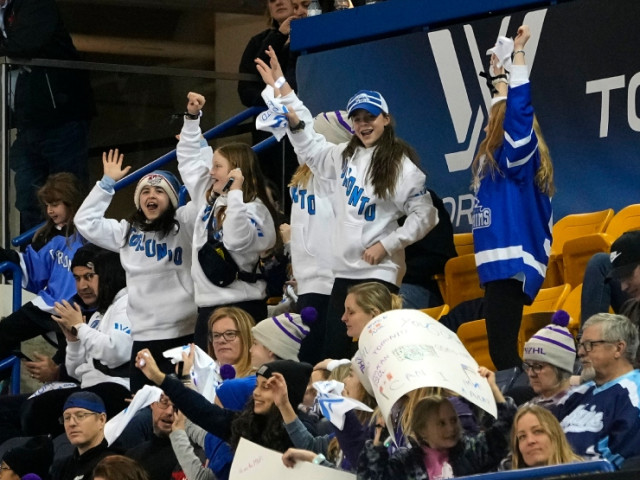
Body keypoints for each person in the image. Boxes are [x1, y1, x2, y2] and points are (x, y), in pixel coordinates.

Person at [256, 47, 439, 360]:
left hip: (377, 275)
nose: (364, 124)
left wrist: (388, 244)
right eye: (358, 119)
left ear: (386, 119)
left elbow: (426, 215)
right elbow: (310, 145)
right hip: (343, 276)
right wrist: (283, 89)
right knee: (334, 357)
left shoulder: (401, 165)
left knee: (377, 354)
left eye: (370, 117)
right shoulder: (343, 157)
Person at [74, 149, 197, 392]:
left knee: (182, 406)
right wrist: (107, 184)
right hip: (141, 338)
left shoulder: (184, 225)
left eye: (160, 191)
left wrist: (193, 148)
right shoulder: (126, 232)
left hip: (183, 334)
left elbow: (202, 204)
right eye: (146, 192)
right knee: (143, 407)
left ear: (172, 199)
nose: (151, 196)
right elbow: (85, 221)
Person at [471, 25, 554, 370]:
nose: (488, 128)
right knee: (500, 352)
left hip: (512, 264)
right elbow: (506, 110)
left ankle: (527, 416)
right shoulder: (500, 161)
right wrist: (498, 79)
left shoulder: (515, 157)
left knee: (504, 356)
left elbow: (517, 118)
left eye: (493, 122)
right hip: (498, 269)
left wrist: (518, 55)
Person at [177, 92, 279, 351]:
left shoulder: (256, 210)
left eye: (218, 167)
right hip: (207, 308)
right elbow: (188, 160)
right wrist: (191, 118)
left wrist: (235, 193)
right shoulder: (208, 197)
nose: (210, 172)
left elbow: (235, 238)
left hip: (241, 309)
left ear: (236, 170)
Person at [1, 0, 95, 233]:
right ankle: (34, 258)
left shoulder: (35, 5)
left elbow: (24, 44)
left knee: (67, 191)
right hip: (28, 122)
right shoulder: (8, 11)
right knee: (27, 196)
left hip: (61, 118)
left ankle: (74, 256)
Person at [19, 244, 131, 438]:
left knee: (39, 410)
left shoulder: (127, 304)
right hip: (87, 387)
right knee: (8, 410)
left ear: (108, 275)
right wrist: (73, 341)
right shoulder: (98, 314)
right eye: (77, 278)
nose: (82, 286)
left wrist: (80, 328)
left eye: (89, 277)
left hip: (117, 388)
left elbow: (116, 353)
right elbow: (75, 372)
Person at [135, 348, 312, 455]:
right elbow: (202, 411)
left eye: (265, 387)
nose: (256, 393)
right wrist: (159, 378)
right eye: (256, 386)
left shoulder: (307, 434)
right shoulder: (247, 424)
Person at [357, 368, 516, 480]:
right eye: (441, 423)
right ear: (422, 430)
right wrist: (377, 440)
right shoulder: (405, 462)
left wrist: (493, 389)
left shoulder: (471, 450)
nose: (451, 428)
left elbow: (507, 429)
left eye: (453, 420)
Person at [0, 172, 85, 365]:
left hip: (78, 309)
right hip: (48, 305)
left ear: (71, 202)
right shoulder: (48, 235)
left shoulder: (92, 233)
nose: (50, 211)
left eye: (55, 205)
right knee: (5, 332)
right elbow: (30, 268)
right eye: (47, 205)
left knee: (68, 363)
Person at [553, 313, 640, 468]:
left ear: (618, 348)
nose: (580, 353)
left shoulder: (634, 395)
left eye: (589, 345)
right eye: (580, 345)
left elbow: (616, 463)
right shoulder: (578, 394)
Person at [400, 189, 457, 309]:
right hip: (378, 284)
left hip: (422, 286)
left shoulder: (424, 201)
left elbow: (441, 258)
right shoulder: (366, 206)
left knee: (377, 308)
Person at [51, 392, 114, 480]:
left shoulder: (114, 465)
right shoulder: (61, 467)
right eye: (67, 418)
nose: (72, 423)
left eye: (80, 416)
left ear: (101, 420)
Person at [581, 231, 640, 324]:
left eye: (628, 275)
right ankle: (590, 335)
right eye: (620, 278)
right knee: (599, 262)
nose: (623, 287)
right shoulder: (629, 309)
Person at [126, 393, 189, 480]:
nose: (169, 412)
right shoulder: (132, 456)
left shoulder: (192, 460)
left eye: (177, 406)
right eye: (164, 402)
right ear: (152, 403)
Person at [521, 310, 576, 408]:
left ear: (561, 368)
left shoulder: (577, 405)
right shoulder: (528, 407)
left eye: (538, 366)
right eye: (528, 366)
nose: (531, 374)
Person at [508, 405, 581, 469]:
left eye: (538, 431)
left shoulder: (584, 472)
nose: (530, 441)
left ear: (555, 435)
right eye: (522, 436)